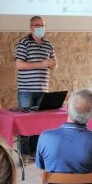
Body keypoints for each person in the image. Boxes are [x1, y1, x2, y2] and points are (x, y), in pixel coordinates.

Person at [15, 15, 57, 156]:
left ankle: (36, 152)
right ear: (31, 27)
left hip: (43, 90)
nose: (40, 28)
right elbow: (19, 64)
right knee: (25, 122)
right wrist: (42, 64)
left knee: (39, 122)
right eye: (37, 25)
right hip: (26, 90)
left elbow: (54, 63)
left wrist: (53, 64)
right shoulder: (23, 43)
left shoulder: (48, 44)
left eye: (43, 25)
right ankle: (25, 154)